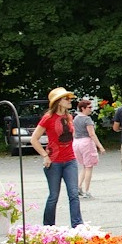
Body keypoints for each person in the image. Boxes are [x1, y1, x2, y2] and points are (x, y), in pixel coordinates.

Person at [31, 87, 83, 227]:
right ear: (58, 102)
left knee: (73, 194)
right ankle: (48, 226)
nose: (69, 100)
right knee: (54, 196)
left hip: (70, 160)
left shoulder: (69, 117)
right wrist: (45, 156)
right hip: (54, 162)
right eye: (66, 98)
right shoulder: (48, 118)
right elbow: (34, 139)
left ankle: (77, 225)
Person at [72, 99, 106, 200]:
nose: (91, 109)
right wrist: (100, 146)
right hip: (86, 143)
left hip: (76, 142)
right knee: (89, 167)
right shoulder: (87, 119)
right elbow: (92, 134)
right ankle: (87, 190)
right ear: (83, 108)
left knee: (84, 166)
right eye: (89, 107)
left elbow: (73, 132)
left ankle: (78, 186)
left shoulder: (76, 118)